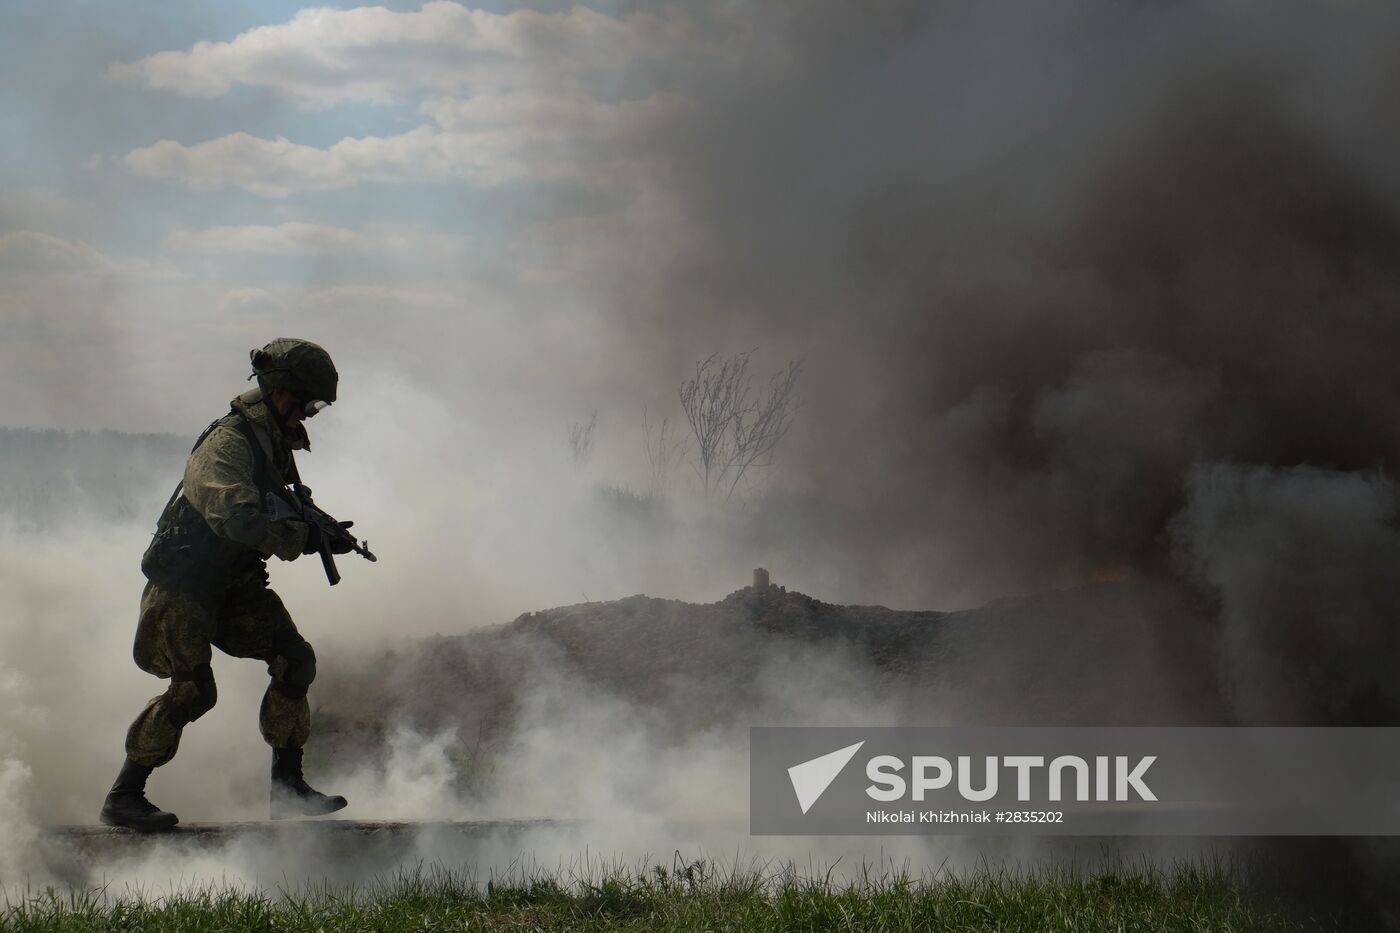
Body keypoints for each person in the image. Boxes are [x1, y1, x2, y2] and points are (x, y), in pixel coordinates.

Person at [100, 338, 353, 830]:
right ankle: (123, 796)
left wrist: (321, 529)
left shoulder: (272, 443)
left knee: (294, 660)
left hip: (233, 586)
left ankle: (288, 791)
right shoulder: (227, 445)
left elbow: (280, 504)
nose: (310, 415)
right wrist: (303, 537)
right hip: (184, 586)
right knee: (194, 690)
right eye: (309, 403)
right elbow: (237, 517)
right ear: (281, 393)